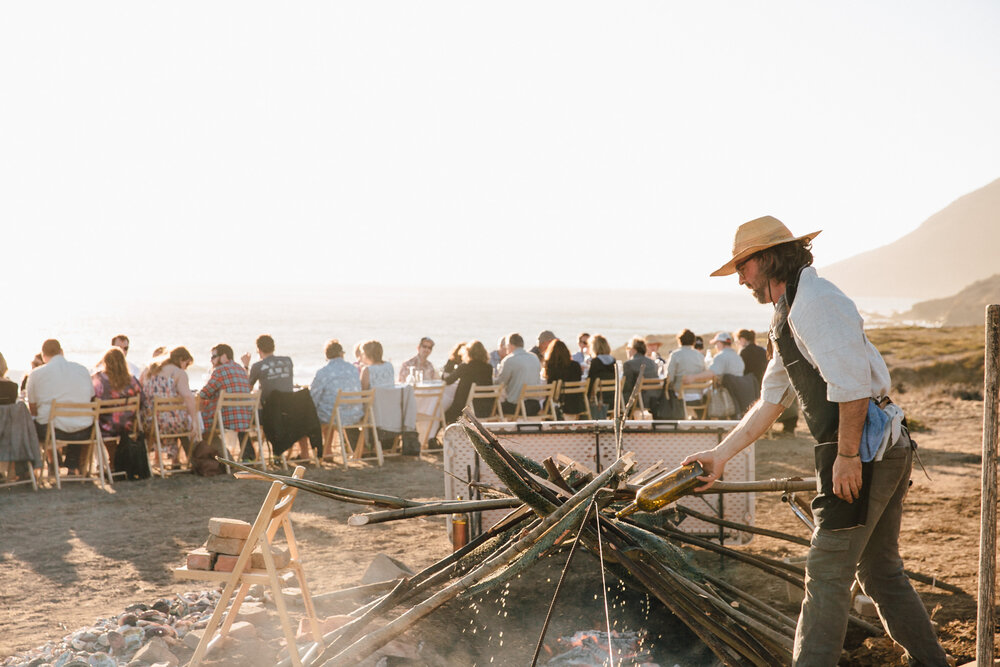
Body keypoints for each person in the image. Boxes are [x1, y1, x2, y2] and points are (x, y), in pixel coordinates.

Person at [682, 215, 949, 666]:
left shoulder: (817, 303)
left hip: (866, 450)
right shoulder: (787, 312)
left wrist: (847, 457)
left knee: (826, 573)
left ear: (767, 259)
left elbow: (852, 386)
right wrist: (720, 454)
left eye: (743, 267)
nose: (741, 279)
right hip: (870, 449)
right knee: (881, 573)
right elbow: (770, 402)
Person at [26, 339, 96, 474]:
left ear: (43, 355)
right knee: (73, 421)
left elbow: (33, 410)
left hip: (53, 432)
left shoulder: (36, 374)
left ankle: (50, 464)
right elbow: (91, 397)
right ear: (61, 352)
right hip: (84, 430)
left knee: (37, 422)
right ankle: (72, 465)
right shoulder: (82, 370)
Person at [141, 346, 201, 465]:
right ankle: (186, 460)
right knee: (185, 421)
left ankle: (170, 460)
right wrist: (195, 420)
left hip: (148, 423)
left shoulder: (150, 369)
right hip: (171, 424)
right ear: (180, 360)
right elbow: (188, 397)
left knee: (172, 415)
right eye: (186, 364)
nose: (186, 367)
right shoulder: (178, 373)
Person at [197, 344, 253, 458]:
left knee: (200, 424)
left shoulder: (220, 371)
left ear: (223, 356)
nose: (211, 360)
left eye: (213, 356)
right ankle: (241, 456)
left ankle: (223, 458)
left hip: (226, 420)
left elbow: (204, 393)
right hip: (245, 419)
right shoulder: (242, 370)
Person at [310, 339, 364, 428]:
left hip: (335, 418)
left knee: (314, 412)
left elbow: (313, 398)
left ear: (327, 355)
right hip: (355, 416)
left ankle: (325, 442)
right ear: (341, 354)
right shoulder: (353, 369)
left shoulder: (323, 372)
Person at [92, 347, 143, 439]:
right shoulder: (132, 381)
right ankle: (120, 452)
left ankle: (113, 453)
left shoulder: (99, 380)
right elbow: (142, 400)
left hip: (106, 427)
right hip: (128, 426)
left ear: (105, 362)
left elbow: (91, 399)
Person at [443, 340, 494, 423]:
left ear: (468, 353)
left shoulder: (465, 367)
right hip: (486, 408)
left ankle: (432, 435)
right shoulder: (488, 368)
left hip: (467, 409)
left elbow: (448, 381)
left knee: (444, 415)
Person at [496, 333, 542, 415]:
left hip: (517, 407)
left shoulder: (509, 360)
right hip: (534, 406)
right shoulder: (535, 358)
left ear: (510, 345)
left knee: (495, 407)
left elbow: (500, 383)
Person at [241, 334, 294, 403]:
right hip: (289, 404)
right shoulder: (287, 360)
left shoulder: (257, 366)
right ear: (273, 347)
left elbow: (247, 389)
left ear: (258, 349)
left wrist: (246, 366)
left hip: (270, 407)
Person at [543, 339, 585, 417]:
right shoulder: (575, 366)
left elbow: (549, 387)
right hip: (576, 403)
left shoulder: (551, 367)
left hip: (557, 403)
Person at [666, 329, 707, 403]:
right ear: (693, 342)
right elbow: (704, 375)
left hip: (680, 395)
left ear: (679, 341)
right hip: (697, 394)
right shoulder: (700, 356)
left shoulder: (675, 355)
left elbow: (670, 377)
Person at [622, 337, 660, 409]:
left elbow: (626, 387)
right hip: (655, 400)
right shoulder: (653, 363)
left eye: (628, 348)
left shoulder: (629, 364)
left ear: (633, 349)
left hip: (639, 401)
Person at [586, 334, 617, 404]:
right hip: (612, 396)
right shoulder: (613, 361)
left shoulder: (596, 362)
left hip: (598, 397)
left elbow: (590, 381)